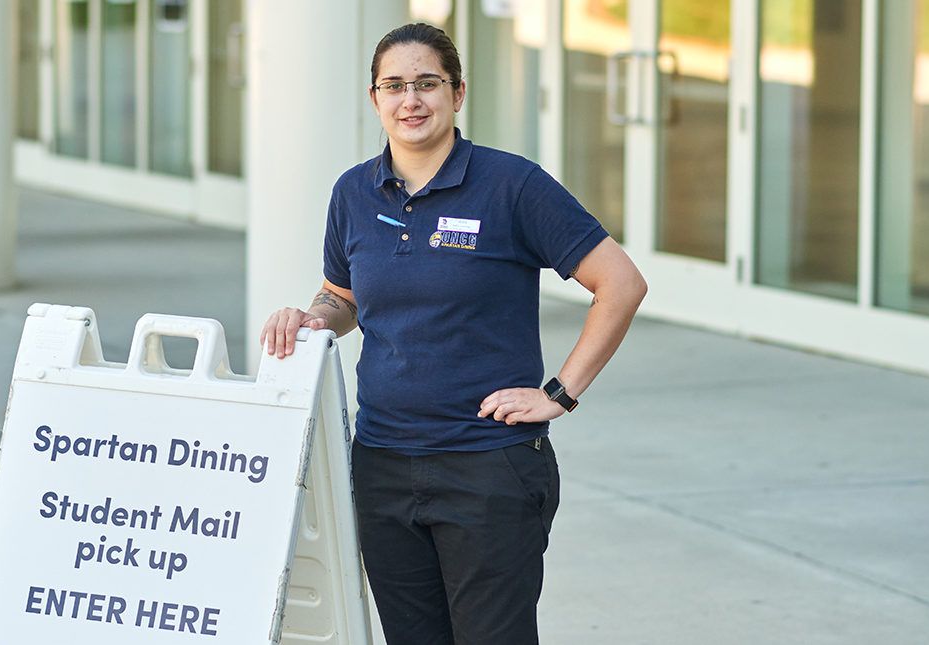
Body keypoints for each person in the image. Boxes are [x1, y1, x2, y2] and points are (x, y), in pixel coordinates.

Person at [260, 23, 646, 645]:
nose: (410, 100)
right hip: (383, 463)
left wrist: (560, 392)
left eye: (427, 83)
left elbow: (621, 284)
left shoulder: (511, 186)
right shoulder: (353, 192)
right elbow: (343, 296)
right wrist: (312, 319)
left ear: (458, 93)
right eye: (394, 86)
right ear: (375, 98)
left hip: (486, 469)